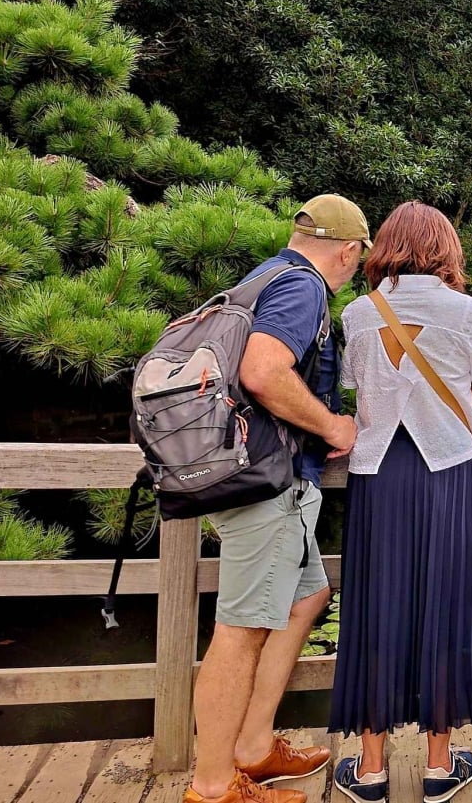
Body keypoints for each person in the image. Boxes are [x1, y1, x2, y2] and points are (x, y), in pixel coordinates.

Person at [185, 195, 372, 803]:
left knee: (307, 596)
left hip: (262, 481)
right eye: (357, 259)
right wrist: (331, 425)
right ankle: (214, 787)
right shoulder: (304, 289)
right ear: (348, 250)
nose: (355, 270)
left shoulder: (264, 275)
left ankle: (255, 747)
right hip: (270, 486)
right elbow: (265, 372)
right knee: (240, 630)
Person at [329, 202, 472, 803]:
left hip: (378, 477)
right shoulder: (469, 312)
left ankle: (370, 770)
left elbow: (355, 390)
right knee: (447, 606)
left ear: (385, 249)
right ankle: (436, 766)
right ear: (445, 249)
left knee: (377, 607)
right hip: (448, 474)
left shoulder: (356, 313)